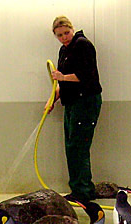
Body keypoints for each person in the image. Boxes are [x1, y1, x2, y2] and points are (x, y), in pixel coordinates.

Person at [49, 16, 102, 203]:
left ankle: (84, 191)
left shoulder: (82, 45)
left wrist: (61, 78)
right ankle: (78, 189)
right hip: (71, 102)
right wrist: (53, 99)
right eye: (59, 35)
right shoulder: (64, 50)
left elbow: (85, 76)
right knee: (72, 147)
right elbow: (61, 81)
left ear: (72, 29)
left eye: (66, 33)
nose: (64, 37)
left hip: (85, 101)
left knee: (79, 146)